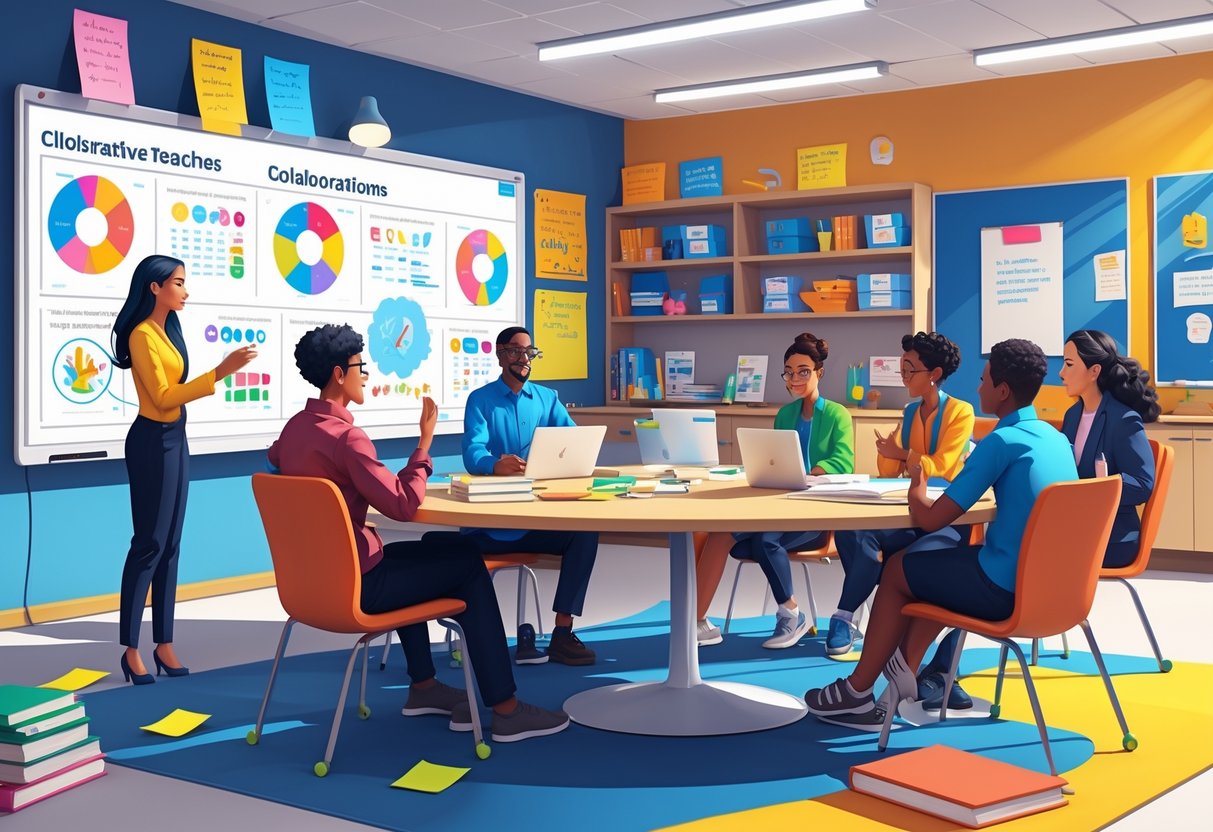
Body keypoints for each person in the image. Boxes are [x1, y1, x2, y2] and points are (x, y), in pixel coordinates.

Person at [269, 324, 568, 743]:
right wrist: (424, 445)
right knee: (468, 566)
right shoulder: (348, 440)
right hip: (360, 587)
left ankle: (424, 687)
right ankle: (506, 709)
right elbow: (404, 504)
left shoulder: (294, 431)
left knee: (431, 547)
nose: (365, 375)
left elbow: (276, 463)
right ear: (338, 374)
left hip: (314, 584)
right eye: (360, 367)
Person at [804, 339, 1077, 730]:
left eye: (983, 380)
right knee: (932, 568)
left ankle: (857, 691)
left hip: (1003, 589)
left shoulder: (1001, 441)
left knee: (898, 570)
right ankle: (904, 670)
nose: (978, 388)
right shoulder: (1056, 439)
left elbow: (932, 519)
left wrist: (917, 486)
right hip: (1054, 591)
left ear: (1002, 390)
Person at [111, 255, 257, 685]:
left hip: (176, 439)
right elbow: (161, 397)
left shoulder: (167, 331)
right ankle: (130, 649)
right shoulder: (141, 335)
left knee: (171, 546)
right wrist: (220, 373)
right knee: (148, 545)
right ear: (154, 288)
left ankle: (164, 643)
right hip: (151, 442)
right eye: (178, 282)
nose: (185, 291)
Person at [827, 332, 974, 689]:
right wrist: (891, 454)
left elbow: (942, 466)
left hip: (944, 516)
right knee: (851, 530)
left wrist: (903, 454)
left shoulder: (960, 412)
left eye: (910, 369)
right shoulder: (910, 413)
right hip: (908, 509)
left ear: (934, 374)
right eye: (902, 368)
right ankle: (849, 613)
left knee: (883, 557)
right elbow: (889, 471)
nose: (903, 376)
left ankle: (848, 615)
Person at [695, 333, 854, 649]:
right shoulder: (785, 414)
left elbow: (844, 461)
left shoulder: (837, 414)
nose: (795, 379)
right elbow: (773, 457)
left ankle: (790, 614)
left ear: (819, 372)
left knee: (765, 540)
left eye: (803, 371)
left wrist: (808, 472)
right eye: (789, 372)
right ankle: (696, 621)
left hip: (816, 511)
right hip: (778, 503)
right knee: (719, 533)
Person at [461, 326, 599, 666]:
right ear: (500, 355)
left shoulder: (547, 398)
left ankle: (562, 632)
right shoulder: (480, 400)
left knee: (585, 532)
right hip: (491, 526)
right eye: (515, 351)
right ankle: (479, 637)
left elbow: (572, 440)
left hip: (535, 520)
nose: (523, 359)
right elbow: (472, 452)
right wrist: (494, 464)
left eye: (529, 352)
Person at [1059, 329, 1159, 568]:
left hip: (1113, 537)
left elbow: (1142, 484)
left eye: (1069, 364)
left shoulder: (1124, 419)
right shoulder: (1072, 415)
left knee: (1036, 552)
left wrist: (1096, 489)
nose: (1061, 373)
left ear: (1094, 371)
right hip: (1078, 527)